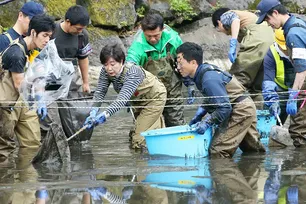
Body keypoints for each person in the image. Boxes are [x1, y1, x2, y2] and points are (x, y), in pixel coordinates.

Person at [176, 42, 265, 158]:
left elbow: (224, 107)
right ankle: (258, 173)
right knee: (252, 150)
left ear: (193, 62)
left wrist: (207, 122)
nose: (178, 68)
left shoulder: (208, 79)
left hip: (240, 110)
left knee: (218, 151)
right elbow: (215, 96)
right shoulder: (203, 73)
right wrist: (202, 111)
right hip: (245, 106)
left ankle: (223, 175)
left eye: (180, 63)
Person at [84, 43, 166, 149]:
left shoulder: (133, 72)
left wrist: (105, 115)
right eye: (105, 64)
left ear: (121, 61)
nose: (109, 68)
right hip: (137, 100)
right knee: (138, 134)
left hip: (155, 98)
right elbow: (100, 92)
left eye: (112, 64)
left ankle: (145, 162)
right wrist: (93, 111)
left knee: (138, 139)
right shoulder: (105, 72)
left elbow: (122, 99)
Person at [0, 14, 55, 158]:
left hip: (17, 102)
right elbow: (21, 85)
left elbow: (36, 78)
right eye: (44, 35)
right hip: (5, 105)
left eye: (49, 36)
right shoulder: (16, 53)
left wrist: (41, 97)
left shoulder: (32, 50)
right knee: (5, 150)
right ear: (33, 33)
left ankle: (27, 177)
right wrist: (37, 101)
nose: (47, 40)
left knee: (33, 144)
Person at [126, 11, 193, 127]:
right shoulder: (137, 46)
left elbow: (184, 62)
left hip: (172, 87)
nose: (152, 39)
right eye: (149, 36)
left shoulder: (172, 38)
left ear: (162, 30)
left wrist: (190, 82)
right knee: (146, 126)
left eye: (156, 35)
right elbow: (129, 67)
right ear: (143, 31)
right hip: (148, 93)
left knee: (176, 122)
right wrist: (126, 91)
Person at [256, 0, 306, 147]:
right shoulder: (298, 23)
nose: (267, 23)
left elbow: (302, 69)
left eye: (267, 19)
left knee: (299, 131)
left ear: (276, 13)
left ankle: (299, 166)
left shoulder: (294, 34)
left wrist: (293, 95)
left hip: (302, 85)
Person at [41, 5, 93, 140]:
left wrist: (86, 82)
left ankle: (74, 140)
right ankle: (52, 139)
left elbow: (83, 58)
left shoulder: (82, 36)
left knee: (75, 112)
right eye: (78, 28)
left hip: (71, 76)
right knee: (52, 112)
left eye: (83, 28)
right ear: (68, 21)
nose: (80, 31)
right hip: (51, 77)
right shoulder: (52, 31)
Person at [211, 8, 274, 108]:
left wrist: (233, 42)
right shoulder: (249, 17)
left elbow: (234, 19)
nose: (223, 33)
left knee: (235, 81)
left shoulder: (226, 15)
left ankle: (226, 111)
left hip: (257, 43)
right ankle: (259, 114)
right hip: (270, 45)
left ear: (219, 23)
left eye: (219, 29)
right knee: (256, 87)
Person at [262, 28, 295, 124]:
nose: (287, 51)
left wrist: (295, 94)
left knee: (299, 123)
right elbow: (268, 79)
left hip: (299, 90)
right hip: (280, 89)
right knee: (273, 118)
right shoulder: (271, 53)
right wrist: (272, 99)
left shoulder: (301, 49)